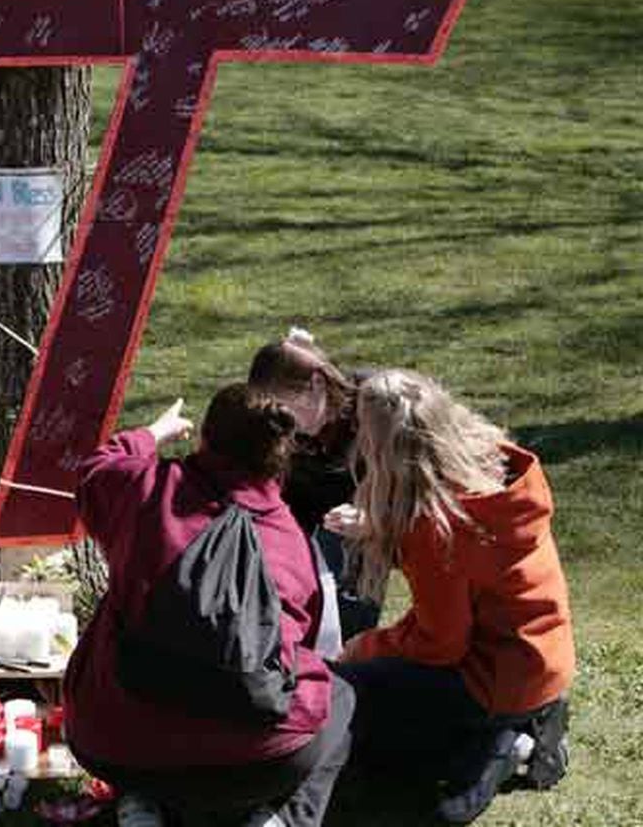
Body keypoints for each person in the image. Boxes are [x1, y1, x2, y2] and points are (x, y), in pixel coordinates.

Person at [63, 385, 354, 827]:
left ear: (204, 437)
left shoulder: (143, 491)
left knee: (118, 657)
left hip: (117, 745)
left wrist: (151, 434)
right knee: (341, 696)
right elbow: (300, 646)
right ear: (278, 456)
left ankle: (139, 803)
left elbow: (93, 470)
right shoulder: (288, 539)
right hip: (253, 763)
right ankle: (283, 819)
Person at [330, 370, 576, 824]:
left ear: (386, 450)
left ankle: (503, 749)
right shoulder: (495, 470)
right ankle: (514, 731)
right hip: (542, 657)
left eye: (363, 433)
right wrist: (381, 526)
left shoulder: (436, 529)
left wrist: (362, 648)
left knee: (349, 697)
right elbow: (468, 572)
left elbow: (439, 644)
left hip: (497, 681)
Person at [247, 329, 381, 638]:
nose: (284, 420)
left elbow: (416, 486)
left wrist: (373, 518)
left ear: (317, 384)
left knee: (347, 613)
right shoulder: (287, 430)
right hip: (314, 526)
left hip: (380, 525)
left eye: (286, 405)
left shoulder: (373, 408)